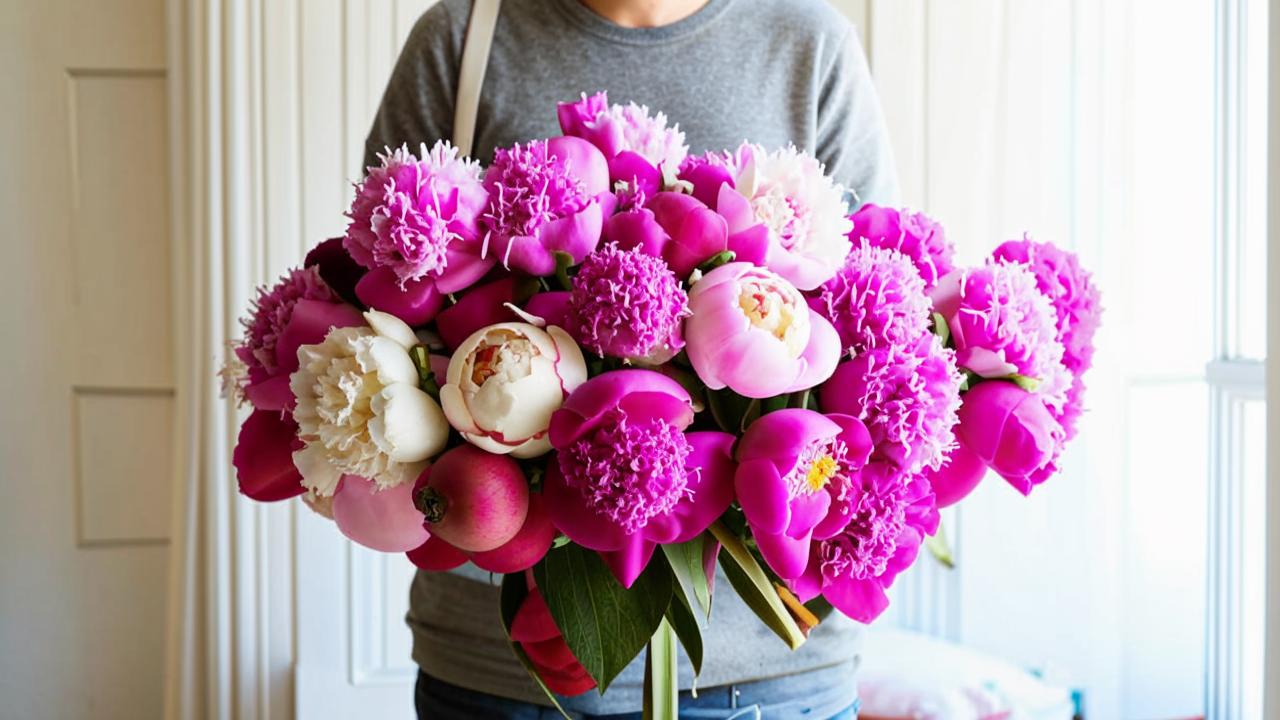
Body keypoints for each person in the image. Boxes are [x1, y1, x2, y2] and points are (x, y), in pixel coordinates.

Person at [362, 0, 898, 717]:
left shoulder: (808, 45)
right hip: (502, 677)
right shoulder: (462, 37)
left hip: (764, 680)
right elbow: (367, 298)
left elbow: (887, 328)